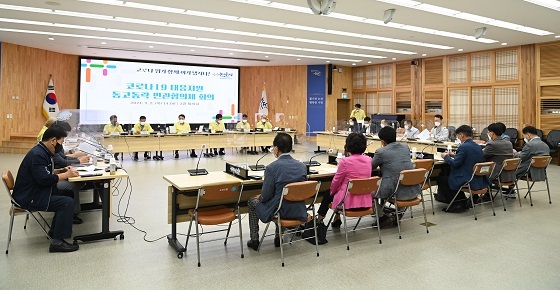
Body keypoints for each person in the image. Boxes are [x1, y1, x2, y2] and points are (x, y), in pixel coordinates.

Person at [12, 126, 80, 252]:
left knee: (69, 194)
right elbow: (44, 180)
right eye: (60, 143)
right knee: (66, 203)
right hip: (30, 196)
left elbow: (44, 173)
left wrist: (61, 171)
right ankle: (57, 242)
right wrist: (66, 175)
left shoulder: (42, 151)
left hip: (35, 191)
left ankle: (55, 230)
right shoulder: (38, 155)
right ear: (53, 140)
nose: (61, 147)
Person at [246, 133, 307, 251]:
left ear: (276, 148)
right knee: (282, 199)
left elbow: (266, 195)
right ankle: (278, 237)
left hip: (279, 210)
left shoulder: (271, 168)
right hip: (298, 209)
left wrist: (261, 197)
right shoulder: (302, 166)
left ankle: (254, 240)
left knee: (252, 201)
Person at [317, 133, 372, 228]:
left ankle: (319, 221)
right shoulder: (368, 160)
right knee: (339, 190)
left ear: (347, 146)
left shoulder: (345, 161)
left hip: (347, 201)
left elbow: (336, 182)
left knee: (328, 193)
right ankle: (337, 219)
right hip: (365, 200)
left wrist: (332, 192)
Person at [371, 126, 416, 226]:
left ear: (382, 141)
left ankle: (382, 217)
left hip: (394, 190)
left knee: (366, 192)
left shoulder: (381, 152)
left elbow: (371, 167)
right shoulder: (405, 147)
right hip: (412, 189)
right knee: (397, 180)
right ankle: (398, 214)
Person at [439, 125, 489, 212]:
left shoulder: (463, 146)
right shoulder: (477, 146)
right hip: (478, 177)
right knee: (446, 177)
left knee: (442, 179)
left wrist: (446, 157)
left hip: (467, 177)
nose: (458, 137)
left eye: (458, 135)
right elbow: (469, 157)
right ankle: (462, 201)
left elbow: (455, 164)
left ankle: (457, 203)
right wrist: (455, 155)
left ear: (461, 135)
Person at [51, 121, 88, 224]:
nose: (64, 139)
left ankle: (73, 211)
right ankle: (72, 214)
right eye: (64, 137)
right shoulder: (51, 146)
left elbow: (62, 158)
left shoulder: (55, 144)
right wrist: (79, 161)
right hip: (45, 188)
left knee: (78, 182)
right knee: (72, 185)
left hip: (55, 175)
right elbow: (61, 161)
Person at [482, 123, 514, 198]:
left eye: (488, 131)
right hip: (508, 172)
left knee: (476, 170)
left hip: (495, 172)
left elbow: (482, 155)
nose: (488, 133)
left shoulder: (492, 144)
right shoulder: (509, 143)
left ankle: (484, 194)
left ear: (492, 133)